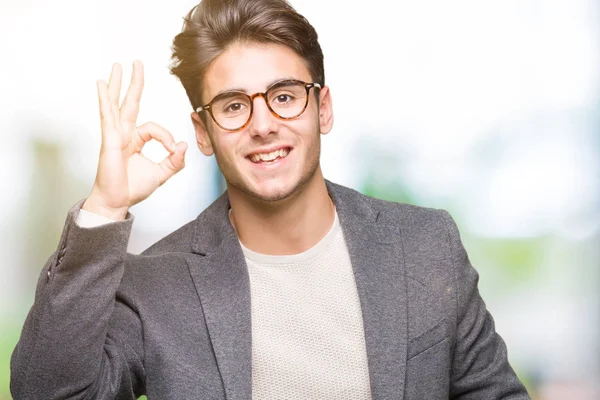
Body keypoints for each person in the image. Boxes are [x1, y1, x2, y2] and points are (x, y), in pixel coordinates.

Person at [11, 0, 530, 398]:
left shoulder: (422, 245)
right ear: (204, 131)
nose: (263, 125)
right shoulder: (155, 285)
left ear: (322, 108)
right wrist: (105, 205)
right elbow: (48, 391)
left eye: (284, 96)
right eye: (233, 105)